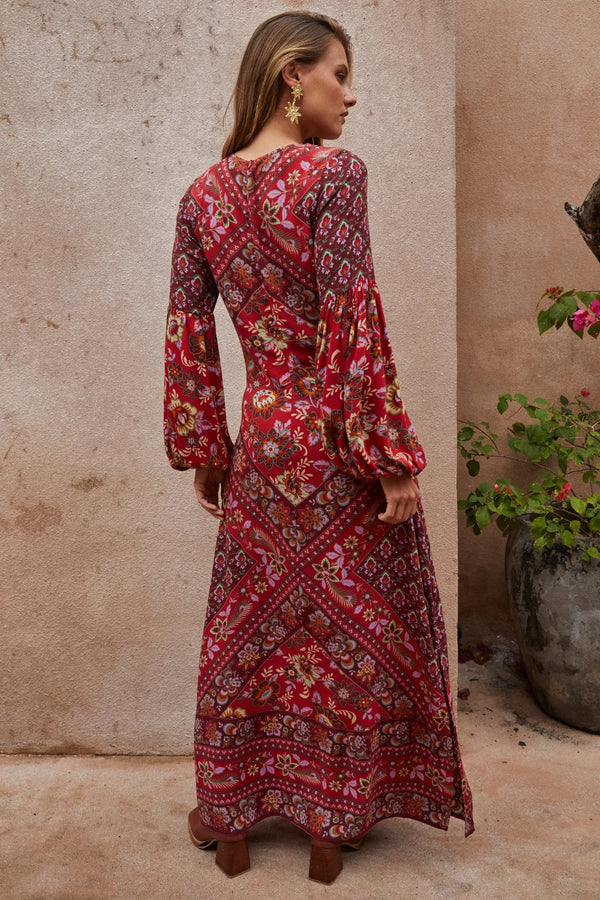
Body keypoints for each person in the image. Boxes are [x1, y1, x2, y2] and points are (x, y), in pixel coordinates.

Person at [164, 10, 473, 885]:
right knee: (343, 635)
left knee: (249, 629)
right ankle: (329, 825)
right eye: (339, 73)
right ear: (292, 76)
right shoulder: (334, 174)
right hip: (333, 438)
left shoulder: (202, 195)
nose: (351, 92)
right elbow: (352, 315)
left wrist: (206, 447)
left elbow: (188, 329)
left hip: (262, 440)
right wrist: (389, 455)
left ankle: (229, 818)